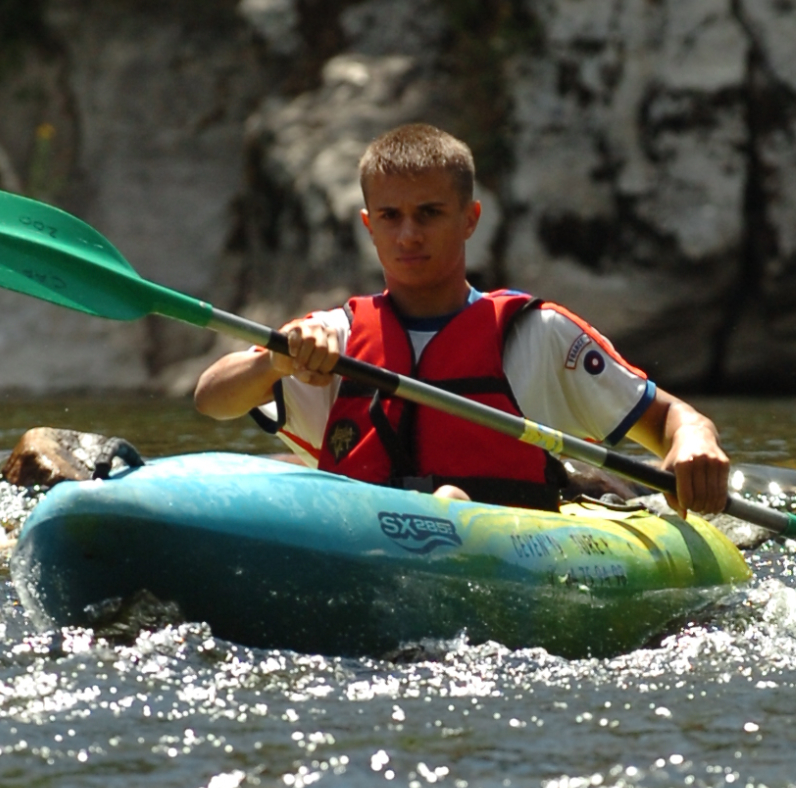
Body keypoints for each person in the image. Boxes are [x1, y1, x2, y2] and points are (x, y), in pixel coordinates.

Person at [194, 123, 729, 516]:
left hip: (506, 547)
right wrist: (276, 361)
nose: (408, 235)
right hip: (360, 540)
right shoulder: (334, 338)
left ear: (469, 219)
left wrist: (694, 441)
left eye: (429, 213)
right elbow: (211, 398)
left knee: (449, 502)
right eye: (391, 216)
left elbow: (669, 421)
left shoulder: (538, 335)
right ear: (369, 225)